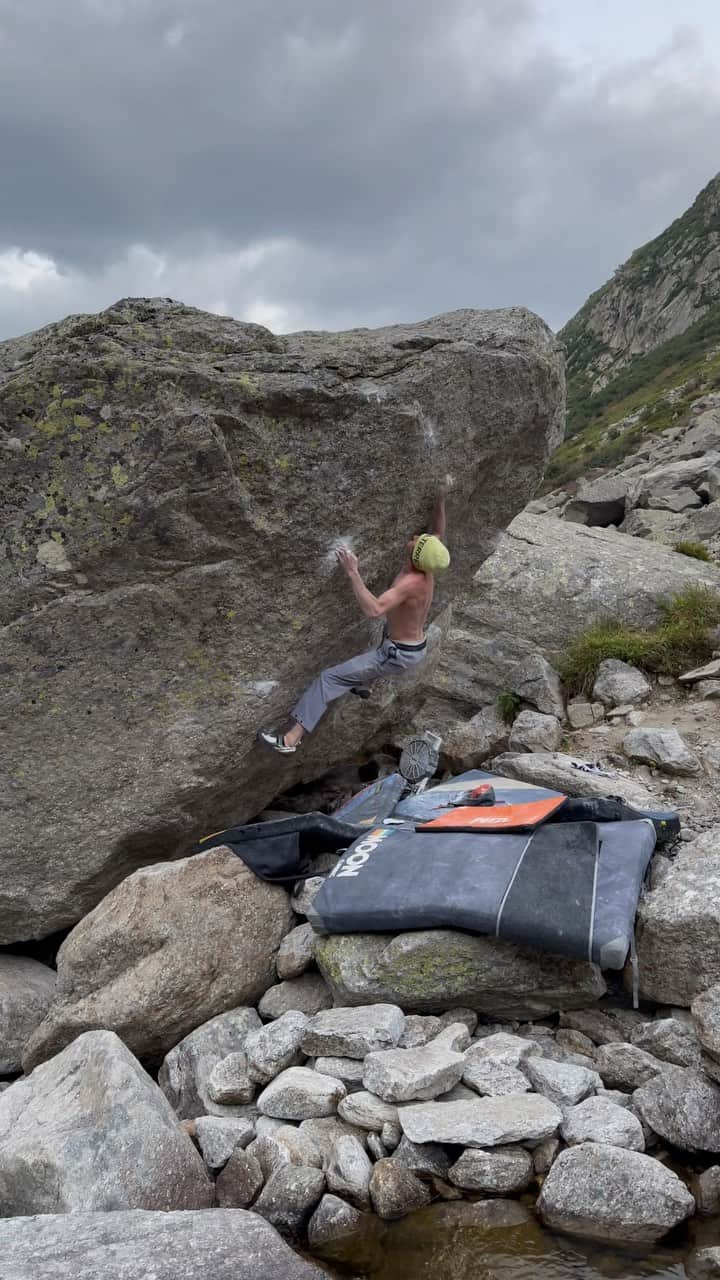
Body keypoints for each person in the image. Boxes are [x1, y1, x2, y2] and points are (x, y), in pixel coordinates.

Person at [259, 478, 452, 754]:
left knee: (328, 679)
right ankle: (362, 682)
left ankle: (291, 739)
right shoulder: (428, 563)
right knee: (380, 643)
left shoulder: (410, 584)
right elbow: (438, 534)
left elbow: (374, 610)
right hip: (410, 644)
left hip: (396, 653)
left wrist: (352, 571)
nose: (412, 538)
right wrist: (441, 499)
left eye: (415, 541)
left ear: (416, 555)